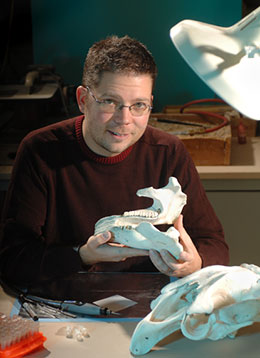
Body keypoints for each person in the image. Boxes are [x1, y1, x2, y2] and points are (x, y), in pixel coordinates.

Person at [0, 35, 229, 289]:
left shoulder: (168, 152)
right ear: (83, 99)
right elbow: (12, 261)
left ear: (151, 104)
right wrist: (82, 255)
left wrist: (195, 262)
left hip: (149, 306)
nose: (124, 119)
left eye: (139, 105)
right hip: (66, 306)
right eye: (110, 102)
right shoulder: (39, 151)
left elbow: (215, 245)